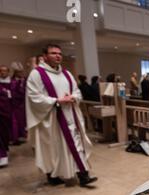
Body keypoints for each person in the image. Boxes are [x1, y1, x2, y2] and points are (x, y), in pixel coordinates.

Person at [26, 44, 97, 186]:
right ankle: (53, 176)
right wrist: (57, 100)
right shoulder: (37, 74)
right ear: (45, 56)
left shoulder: (66, 73)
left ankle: (83, 175)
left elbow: (77, 91)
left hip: (70, 116)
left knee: (76, 145)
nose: (58, 56)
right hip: (50, 119)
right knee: (53, 148)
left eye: (59, 53)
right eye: (53, 53)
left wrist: (73, 97)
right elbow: (33, 97)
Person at [9, 62, 27, 145]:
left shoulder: (23, 80)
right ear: (15, 72)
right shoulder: (12, 81)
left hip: (22, 104)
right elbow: (13, 92)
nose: (21, 73)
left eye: (22, 72)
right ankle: (14, 139)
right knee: (14, 122)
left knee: (21, 121)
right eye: (19, 72)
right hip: (14, 104)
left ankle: (19, 137)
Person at [0, 65, 11, 167]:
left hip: (4, 112)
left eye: (4, 71)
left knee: (4, 133)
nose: (3, 73)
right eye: (1, 71)